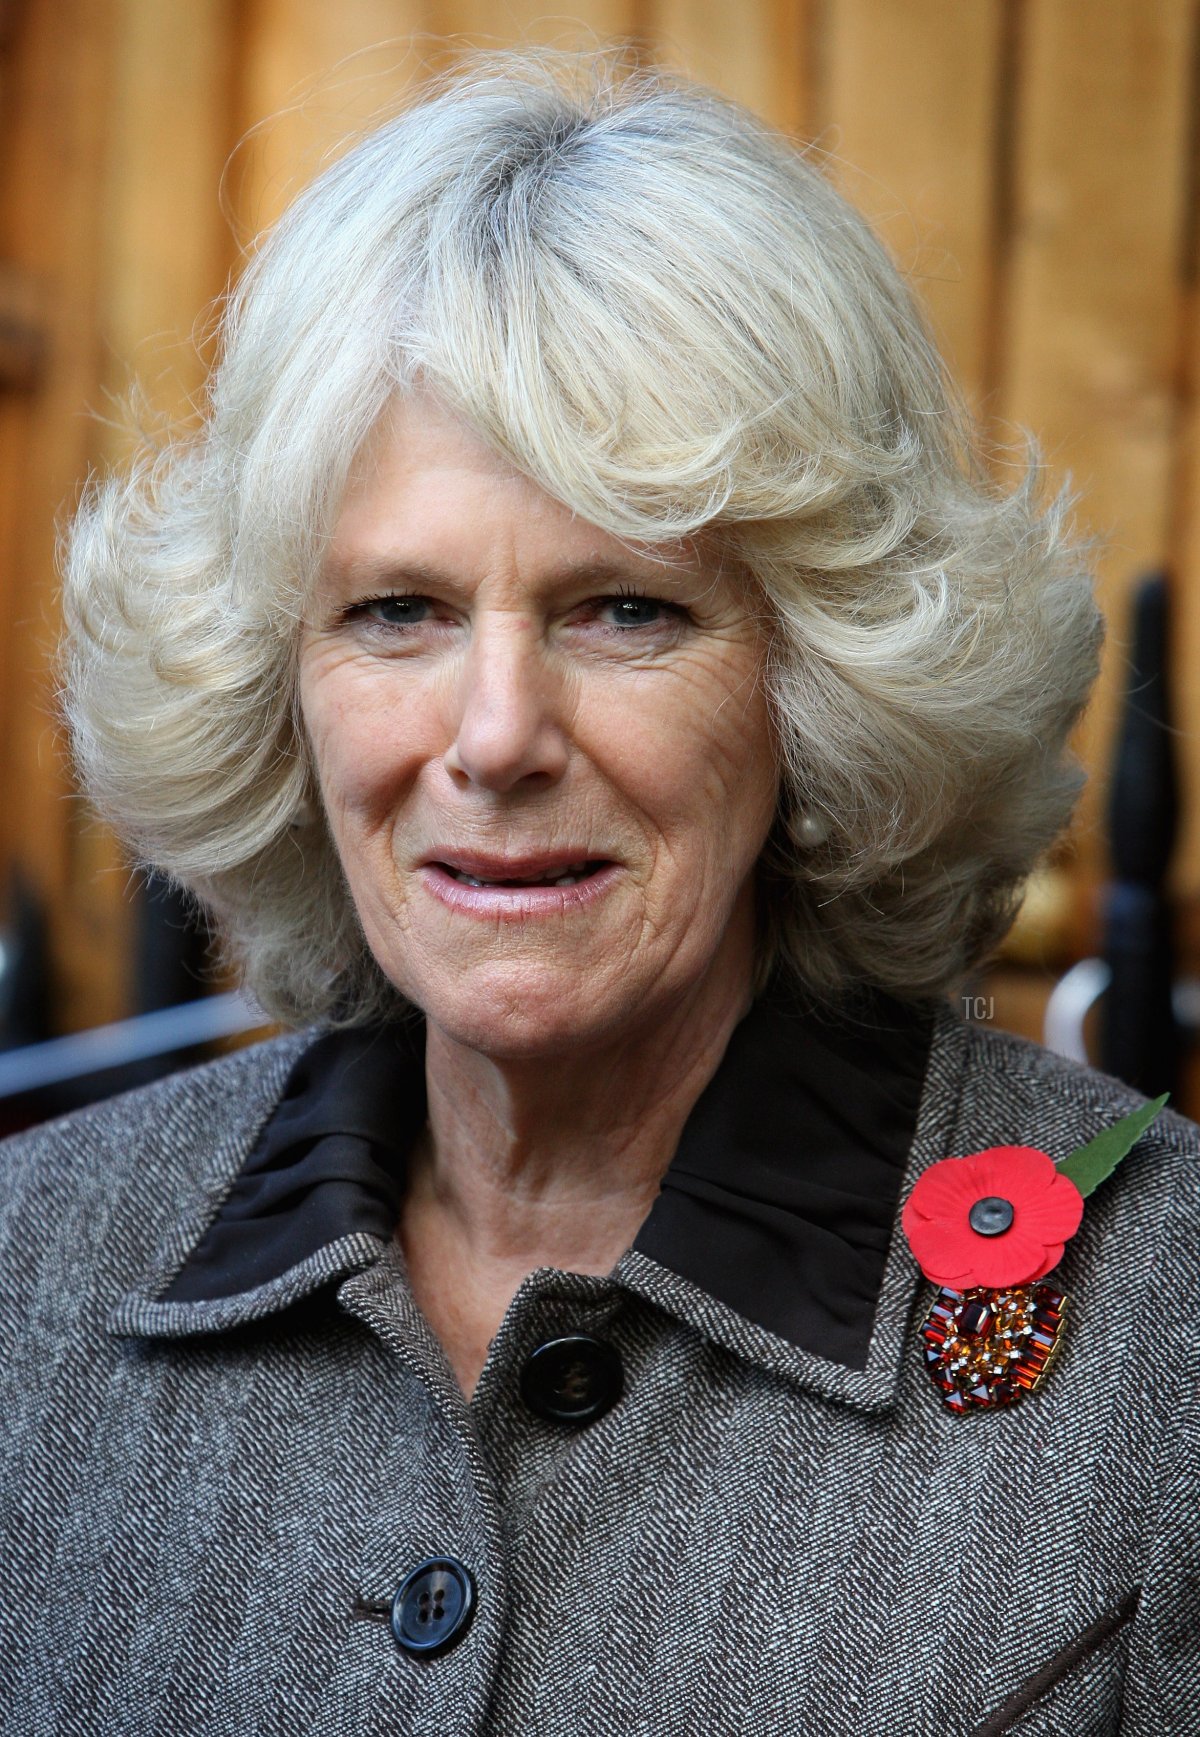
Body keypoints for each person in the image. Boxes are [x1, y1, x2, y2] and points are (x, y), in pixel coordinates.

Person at [1, 49, 1196, 1737]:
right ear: (283, 676)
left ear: (819, 679)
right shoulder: (25, 1272)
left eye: (625, 609)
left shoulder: (1171, 1341)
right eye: (398, 609)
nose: (493, 735)